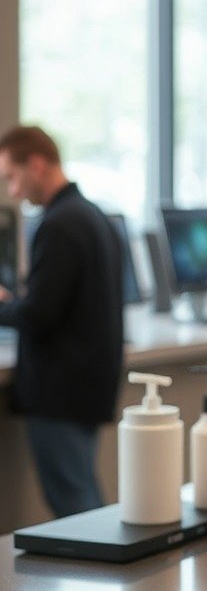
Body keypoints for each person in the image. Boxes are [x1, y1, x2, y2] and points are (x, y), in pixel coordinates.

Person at [0, 126, 124, 517]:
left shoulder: (58, 224)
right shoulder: (92, 215)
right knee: (84, 496)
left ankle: (102, 577)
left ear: (35, 164)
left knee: (74, 507)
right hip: (87, 386)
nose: (13, 192)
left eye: (11, 178)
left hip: (60, 393)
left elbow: (39, 314)